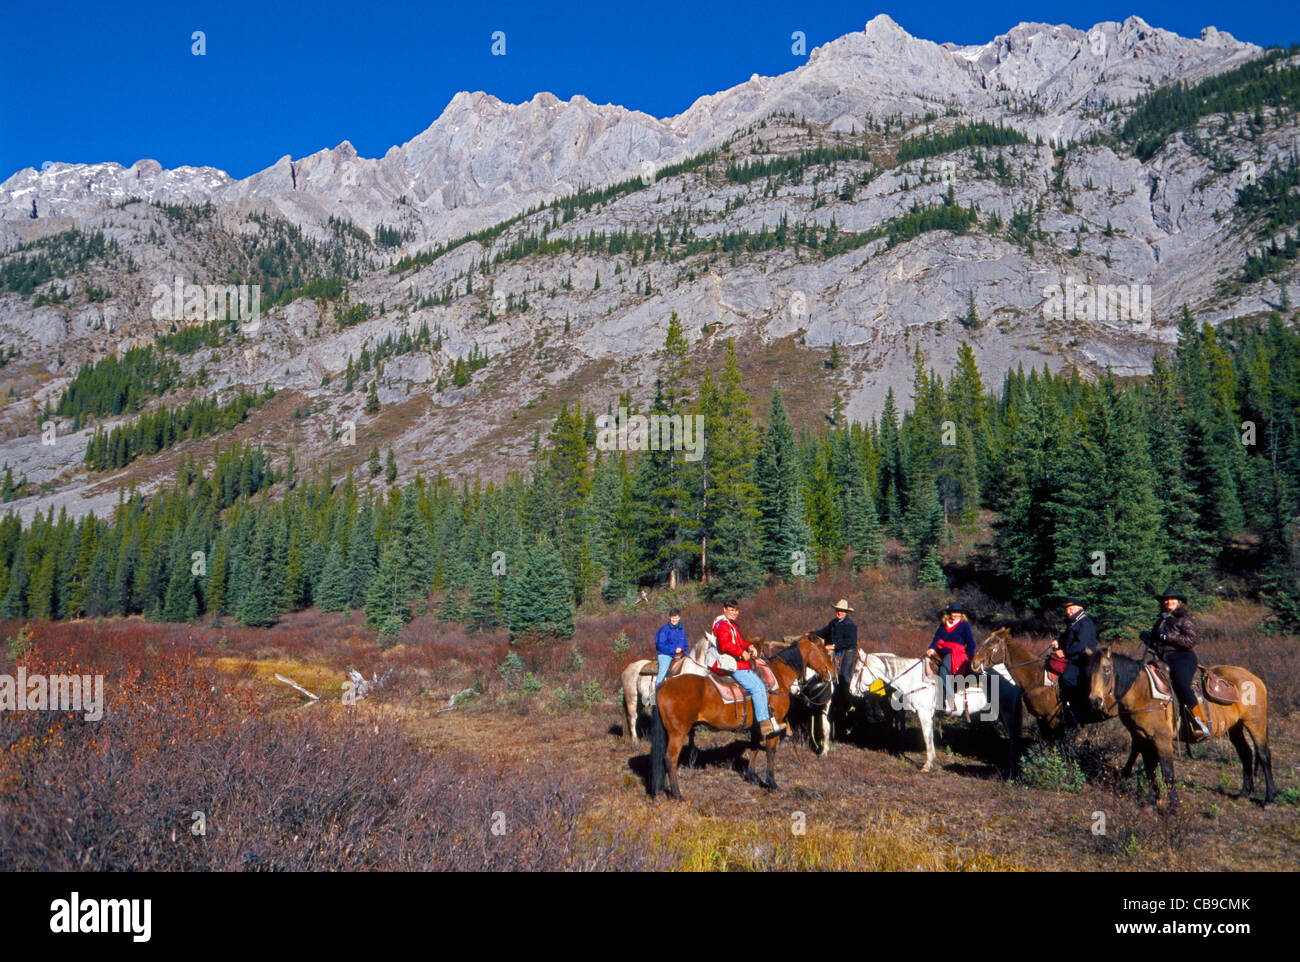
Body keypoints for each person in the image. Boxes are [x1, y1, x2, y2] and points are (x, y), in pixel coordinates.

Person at [1141, 588, 1211, 742]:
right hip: (1162, 659)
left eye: (1172, 599)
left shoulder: (1185, 619)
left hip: (1182, 657)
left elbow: (1191, 640)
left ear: (1178, 602)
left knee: (1181, 684)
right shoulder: (1161, 620)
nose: (1169, 602)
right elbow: (1158, 643)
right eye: (1166, 600)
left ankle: (1200, 722)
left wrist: (1167, 636)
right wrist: (1148, 639)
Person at [711, 599, 783, 739]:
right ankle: (764, 724)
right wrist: (741, 653)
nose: (734, 613)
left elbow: (739, 642)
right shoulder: (723, 625)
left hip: (738, 662)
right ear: (724, 610)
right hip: (732, 664)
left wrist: (749, 646)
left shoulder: (731, 625)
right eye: (731, 610)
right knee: (758, 688)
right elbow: (725, 645)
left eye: (736, 610)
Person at [1050, 597, 1098, 722]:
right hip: (1072, 656)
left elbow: (1081, 645)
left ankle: (1077, 710)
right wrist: (1058, 643)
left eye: (1071, 609)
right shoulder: (1075, 622)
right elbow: (1069, 640)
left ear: (1079, 609)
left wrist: (1064, 653)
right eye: (1067, 610)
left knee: (1068, 678)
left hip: (1082, 658)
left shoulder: (1085, 623)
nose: (1068, 612)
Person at [925, 602, 975, 710]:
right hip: (941, 650)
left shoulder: (964, 625)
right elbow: (937, 637)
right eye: (954, 612)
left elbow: (971, 643)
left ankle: (950, 698)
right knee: (925, 663)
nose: (956, 614)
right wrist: (932, 648)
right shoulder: (944, 624)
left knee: (944, 669)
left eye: (958, 612)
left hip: (955, 653)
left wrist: (970, 657)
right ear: (949, 613)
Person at [812, 599, 858, 687]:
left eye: (842, 611)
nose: (839, 612)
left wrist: (834, 646)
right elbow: (823, 632)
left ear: (846, 612)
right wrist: (811, 634)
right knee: (826, 669)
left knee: (844, 674)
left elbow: (850, 641)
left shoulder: (850, 625)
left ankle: (847, 693)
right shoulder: (833, 623)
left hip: (848, 650)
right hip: (834, 650)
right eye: (838, 610)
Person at [653, 608, 687, 686]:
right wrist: (674, 650)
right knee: (663, 671)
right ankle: (657, 689)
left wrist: (686, 653)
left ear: (679, 618)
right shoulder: (664, 630)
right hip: (665, 655)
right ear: (669, 618)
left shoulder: (681, 630)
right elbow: (660, 644)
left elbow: (685, 643)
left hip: (680, 655)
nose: (674, 619)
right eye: (673, 617)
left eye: (676, 617)